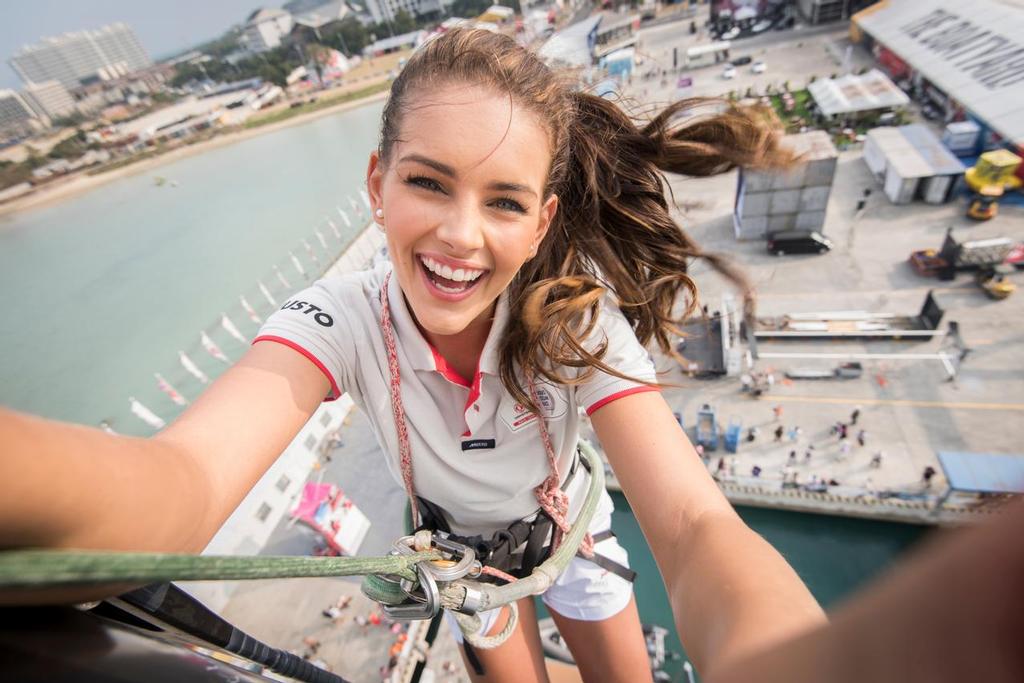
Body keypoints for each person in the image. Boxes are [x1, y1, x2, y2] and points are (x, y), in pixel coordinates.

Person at [0, 30, 824, 683]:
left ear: (540, 224)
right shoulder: (340, 318)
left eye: (503, 201)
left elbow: (690, 523)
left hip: (571, 534)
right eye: (428, 183)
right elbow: (184, 483)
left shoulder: (578, 324)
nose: (460, 235)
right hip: (460, 562)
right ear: (377, 184)